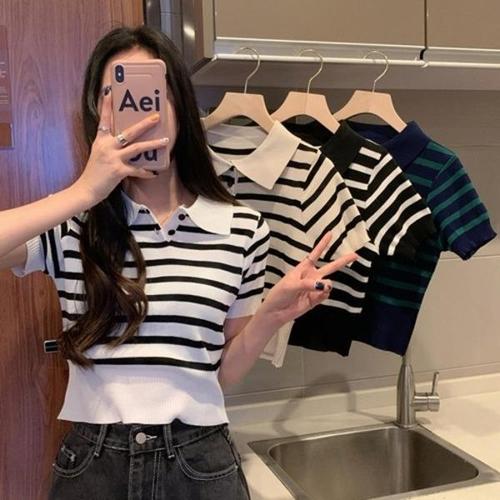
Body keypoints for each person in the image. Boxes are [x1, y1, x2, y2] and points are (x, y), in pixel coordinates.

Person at [0, 26, 356, 499]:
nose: (141, 109)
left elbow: (221, 374)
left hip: (199, 460)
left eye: (153, 90)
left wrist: (270, 315)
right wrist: (84, 192)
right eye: (118, 93)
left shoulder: (242, 229)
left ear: (180, 105)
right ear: (98, 113)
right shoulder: (73, 223)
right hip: (94, 466)